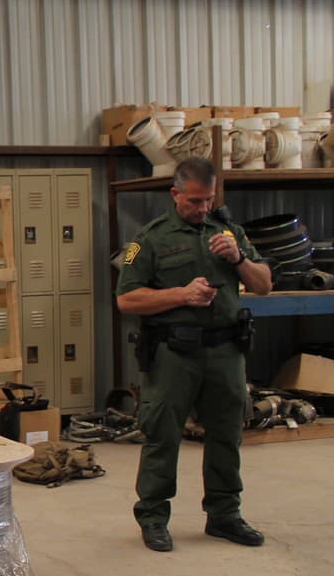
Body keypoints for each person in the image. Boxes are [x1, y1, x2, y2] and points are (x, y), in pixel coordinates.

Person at [116, 156, 272, 553]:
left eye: (208, 200)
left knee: (227, 434)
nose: (202, 208)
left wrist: (238, 259)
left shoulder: (229, 233)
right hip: (174, 353)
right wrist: (181, 295)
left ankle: (224, 515)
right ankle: (153, 517)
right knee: (162, 436)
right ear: (175, 194)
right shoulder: (148, 240)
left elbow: (265, 284)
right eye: (194, 201)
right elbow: (126, 299)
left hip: (225, 352)